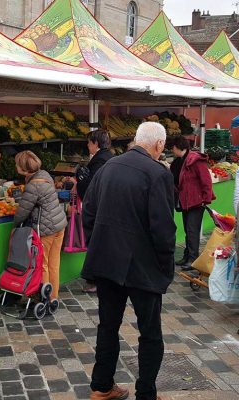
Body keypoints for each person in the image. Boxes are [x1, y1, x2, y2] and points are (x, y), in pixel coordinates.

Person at [82, 122, 176, 400]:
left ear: (136, 140)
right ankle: (145, 393)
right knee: (150, 333)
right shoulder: (158, 173)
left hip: (107, 261)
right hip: (142, 267)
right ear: (159, 145)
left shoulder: (108, 166)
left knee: (107, 327)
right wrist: (165, 265)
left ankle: (101, 387)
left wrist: (99, 243)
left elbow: (88, 212)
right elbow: (163, 229)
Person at [13, 151, 67, 301]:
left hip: (46, 229)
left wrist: (15, 225)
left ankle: (44, 297)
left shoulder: (33, 186)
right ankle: (53, 297)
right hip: (59, 226)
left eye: (17, 164)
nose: (15, 166)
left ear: (23, 168)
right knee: (54, 263)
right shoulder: (45, 175)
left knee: (42, 264)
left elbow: (22, 212)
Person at [75, 129, 113, 294]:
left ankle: (95, 280)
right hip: (109, 208)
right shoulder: (111, 158)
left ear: (96, 143)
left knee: (96, 244)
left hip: (98, 210)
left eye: (89, 143)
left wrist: (81, 179)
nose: (88, 146)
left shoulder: (99, 162)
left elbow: (92, 189)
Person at [170, 135, 214, 271]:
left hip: (196, 202)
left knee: (192, 230)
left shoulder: (195, 161)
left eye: (173, 147)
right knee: (189, 230)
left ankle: (193, 259)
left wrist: (205, 199)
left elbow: (206, 181)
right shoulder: (179, 161)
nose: (172, 150)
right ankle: (187, 255)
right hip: (186, 201)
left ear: (178, 147)